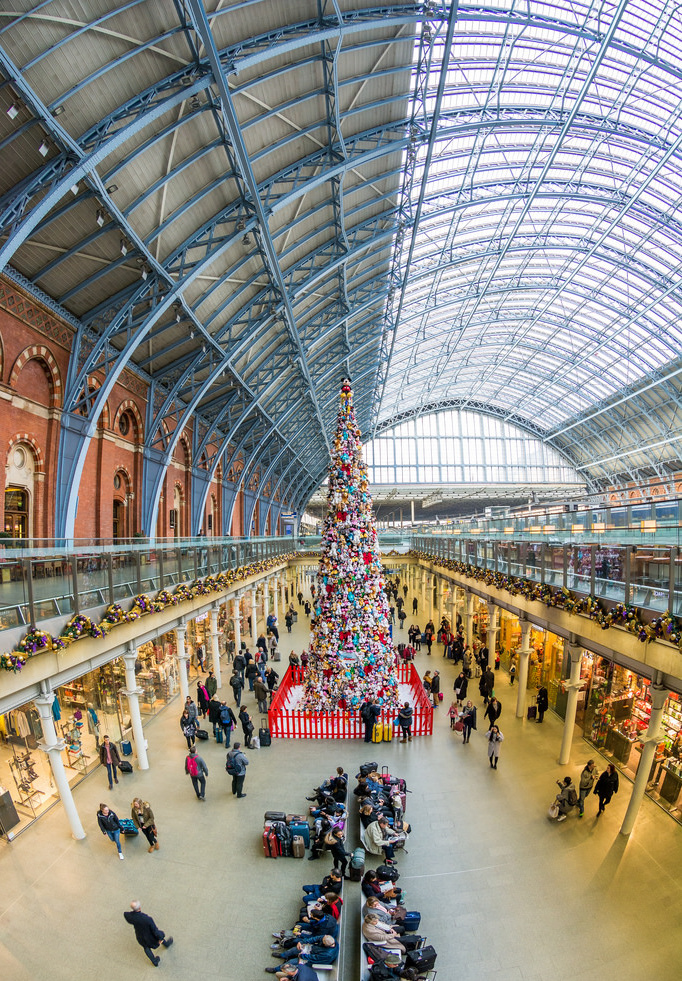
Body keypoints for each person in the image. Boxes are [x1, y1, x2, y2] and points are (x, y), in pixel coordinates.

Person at [123, 900, 173, 967]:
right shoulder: (147, 919)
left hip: (140, 936)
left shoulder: (130, 916)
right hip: (150, 936)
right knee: (159, 937)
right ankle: (166, 944)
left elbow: (125, 914)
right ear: (140, 907)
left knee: (146, 947)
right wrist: (161, 935)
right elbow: (155, 931)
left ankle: (154, 961)